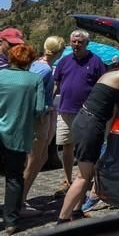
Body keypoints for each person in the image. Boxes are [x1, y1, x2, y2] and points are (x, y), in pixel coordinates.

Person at [57, 63, 119, 224]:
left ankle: (76, 212)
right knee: (83, 176)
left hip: (85, 121)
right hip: (90, 125)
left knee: (88, 173)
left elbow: (114, 105)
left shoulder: (113, 73)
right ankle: (62, 219)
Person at [53, 30, 106, 196]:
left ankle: (91, 182)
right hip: (65, 111)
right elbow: (57, 83)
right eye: (73, 42)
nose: (76, 45)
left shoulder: (96, 61)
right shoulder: (64, 61)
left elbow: (101, 86)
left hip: (86, 113)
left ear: (86, 44)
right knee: (66, 146)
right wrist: (48, 103)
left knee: (87, 148)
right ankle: (67, 180)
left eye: (80, 42)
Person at [0, 44, 45, 234]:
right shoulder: (35, 80)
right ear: (30, 60)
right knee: (14, 178)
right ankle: (11, 222)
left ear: (11, 58)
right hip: (18, 136)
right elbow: (39, 109)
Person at [21, 36, 66, 212]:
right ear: (60, 52)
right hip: (40, 117)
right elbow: (32, 91)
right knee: (33, 160)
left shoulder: (36, 64)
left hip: (43, 114)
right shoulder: (45, 70)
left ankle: (21, 197)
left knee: (43, 157)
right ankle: (20, 201)